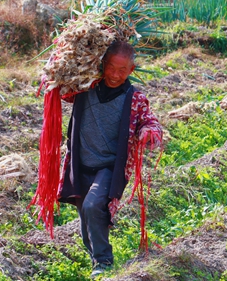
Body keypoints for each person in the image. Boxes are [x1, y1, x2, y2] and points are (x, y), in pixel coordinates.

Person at [57, 40, 163, 279]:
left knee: (93, 205)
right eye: (111, 68)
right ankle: (95, 257)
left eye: (122, 70)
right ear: (102, 64)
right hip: (81, 162)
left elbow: (151, 122)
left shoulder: (135, 98)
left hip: (108, 166)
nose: (116, 75)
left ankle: (103, 262)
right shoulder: (86, 86)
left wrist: (148, 133)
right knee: (85, 218)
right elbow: (61, 90)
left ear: (131, 71)